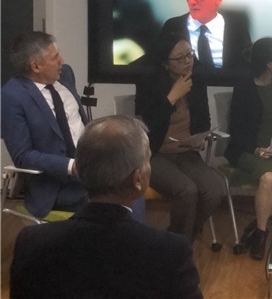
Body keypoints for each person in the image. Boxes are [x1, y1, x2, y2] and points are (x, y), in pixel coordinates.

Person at [10, 115, 203, 299]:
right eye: (148, 160)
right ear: (138, 179)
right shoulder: (170, 252)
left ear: (80, 170)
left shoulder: (32, 241)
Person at [135, 32, 224, 242]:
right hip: (155, 153)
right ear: (165, 64)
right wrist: (172, 97)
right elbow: (145, 126)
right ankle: (180, 242)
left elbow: (204, 120)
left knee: (214, 190)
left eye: (190, 55)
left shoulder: (197, 81)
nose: (187, 61)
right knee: (187, 190)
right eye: (180, 58)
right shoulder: (148, 83)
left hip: (186, 152)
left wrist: (199, 138)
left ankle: (180, 237)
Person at [225, 37, 272, 260]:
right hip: (246, 149)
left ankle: (255, 224)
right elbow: (236, 129)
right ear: (269, 63)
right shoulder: (244, 87)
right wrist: (255, 149)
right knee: (268, 178)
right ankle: (261, 234)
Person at [1, 31, 88, 219]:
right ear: (36, 66)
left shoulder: (65, 75)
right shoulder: (12, 96)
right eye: (55, 58)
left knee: (130, 183)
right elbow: (23, 156)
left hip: (91, 169)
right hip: (56, 184)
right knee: (108, 203)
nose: (62, 61)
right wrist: (72, 166)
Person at [160, 0, 252, 70]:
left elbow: (246, 69)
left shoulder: (237, 28)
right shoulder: (172, 27)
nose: (191, 1)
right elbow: (160, 67)